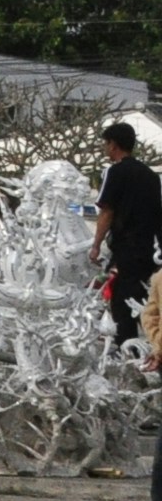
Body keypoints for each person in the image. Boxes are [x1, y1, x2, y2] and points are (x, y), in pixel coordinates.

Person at [97, 121, 161, 350]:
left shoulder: (114, 172)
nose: (105, 148)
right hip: (149, 250)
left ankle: (126, 348)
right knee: (144, 299)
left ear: (113, 145)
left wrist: (96, 245)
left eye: (106, 143)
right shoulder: (151, 176)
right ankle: (148, 345)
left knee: (121, 301)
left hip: (126, 247)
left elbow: (107, 210)